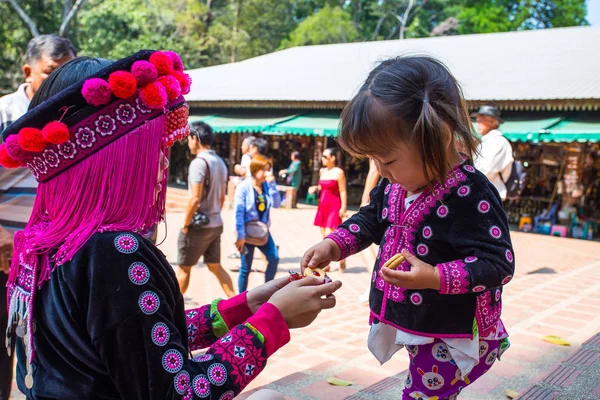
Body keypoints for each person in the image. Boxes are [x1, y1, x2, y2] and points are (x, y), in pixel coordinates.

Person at [0, 51, 342, 399]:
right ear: (111, 161)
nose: (163, 163)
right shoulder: (115, 250)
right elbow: (181, 392)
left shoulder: (39, 241)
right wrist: (272, 322)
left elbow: (138, 339)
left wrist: (249, 305)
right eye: (151, 150)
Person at [301, 56, 514, 399]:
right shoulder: (395, 184)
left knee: (419, 393)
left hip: (454, 331)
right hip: (420, 323)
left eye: (387, 159)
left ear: (439, 137)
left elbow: (498, 264)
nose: (381, 171)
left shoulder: (471, 192)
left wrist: (434, 276)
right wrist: (335, 244)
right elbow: (372, 217)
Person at [0, 34, 75, 400]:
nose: (62, 83)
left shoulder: (74, 119)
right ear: (28, 71)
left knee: (43, 358)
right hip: (1, 260)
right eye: (51, 73)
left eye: (70, 73)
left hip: (50, 263)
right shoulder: (2, 114)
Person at [177, 122, 235, 298]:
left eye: (189, 138)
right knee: (215, 266)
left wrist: (185, 224)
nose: (188, 142)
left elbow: (195, 198)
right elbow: (221, 198)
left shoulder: (198, 163)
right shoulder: (220, 162)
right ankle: (238, 301)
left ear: (195, 139)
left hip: (198, 226)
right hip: (216, 222)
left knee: (183, 268)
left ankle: (170, 310)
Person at [234, 155, 281, 293]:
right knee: (245, 268)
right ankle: (240, 299)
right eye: (263, 170)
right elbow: (239, 212)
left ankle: (266, 291)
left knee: (274, 258)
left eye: (268, 170)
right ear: (255, 170)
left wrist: (272, 185)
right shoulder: (244, 187)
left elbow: (277, 204)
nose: (267, 173)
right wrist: (240, 235)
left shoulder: (267, 186)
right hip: (246, 232)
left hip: (262, 231)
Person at [309, 148, 347, 271]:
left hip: (334, 204)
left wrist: (344, 207)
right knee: (322, 232)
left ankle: (331, 260)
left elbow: (342, 190)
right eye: (322, 157)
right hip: (323, 204)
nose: (322, 159)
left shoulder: (339, 172)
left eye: (325, 156)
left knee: (329, 232)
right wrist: (315, 188)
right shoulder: (323, 171)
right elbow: (322, 186)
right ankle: (334, 260)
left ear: (333, 158)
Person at [473, 105, 514, 201]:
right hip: (483, 194)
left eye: (480, 121)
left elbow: (486, 171)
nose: (477, 125)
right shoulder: (485, 142)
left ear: (491, 122)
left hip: (492, 195)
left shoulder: (499, 142)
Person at [358, 159, 380, 303]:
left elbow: (374, 170)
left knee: (364, 239)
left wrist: (364, 202)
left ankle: (375, 281)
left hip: (377, 198)